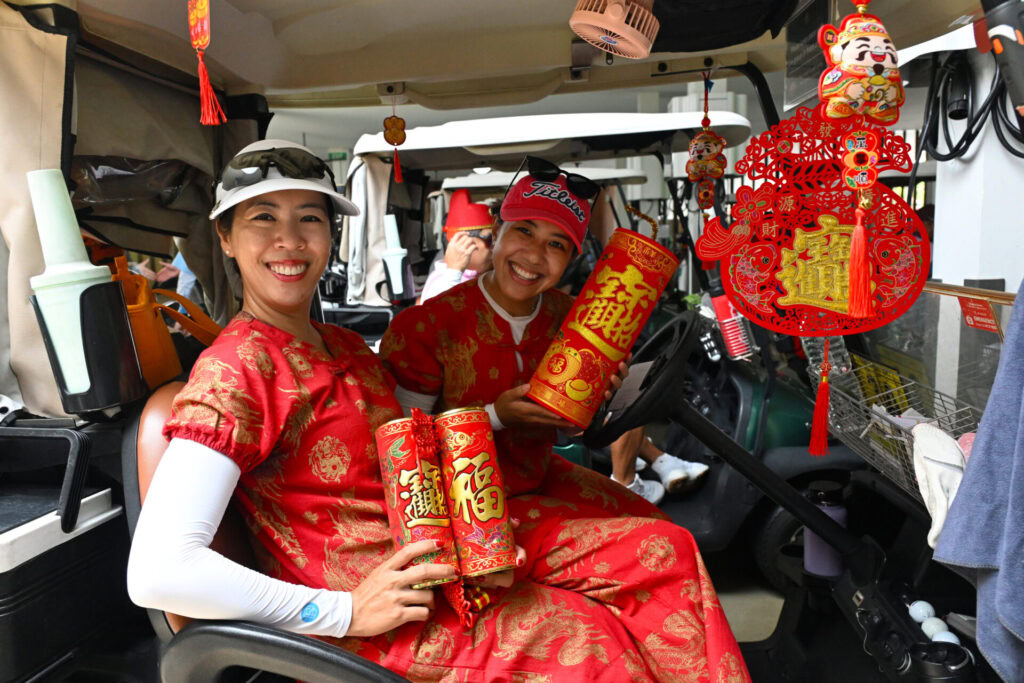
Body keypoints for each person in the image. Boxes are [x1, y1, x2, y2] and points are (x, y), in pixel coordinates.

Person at [127, 141, 748, 682]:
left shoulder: (343, 346)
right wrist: (342, 611)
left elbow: (415, 454)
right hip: (379, 620)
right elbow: (159, 570)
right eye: (264, 218)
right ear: (225, 237)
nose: (289, 240)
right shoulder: (236, 370)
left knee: (653, 561)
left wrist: (480, 542)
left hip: (441, 565)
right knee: (598, 647)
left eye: (309, 218)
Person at [381, 157, 748, 680]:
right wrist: (496, 416)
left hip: (539, 477)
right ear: (497, 232)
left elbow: (574, 427)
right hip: (469, 513)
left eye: (557, 244)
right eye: (524, 231)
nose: (534, 255)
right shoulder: (428, 326)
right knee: (665, 549)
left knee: (665, 530)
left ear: (572, 258)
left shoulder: (570, 317)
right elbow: (404, 455)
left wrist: (599, 398)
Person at [419, 189, 494, 303]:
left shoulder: (482, 277)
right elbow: (440, 311)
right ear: (462, 242)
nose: (495, 246)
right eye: (490, 239)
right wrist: (453, 273)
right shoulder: (443, 282)